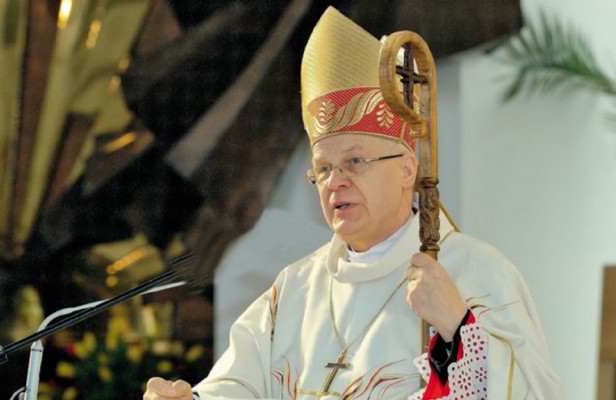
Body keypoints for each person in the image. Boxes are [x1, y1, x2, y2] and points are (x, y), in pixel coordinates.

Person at [144, 6, 563, 400]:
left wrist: (458, 327)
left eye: (354, 162)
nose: (334, 183)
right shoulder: (293, 290)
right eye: (322, 169)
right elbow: (237, 384)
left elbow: (532, 389)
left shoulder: (475, 274)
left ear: (406, 169)